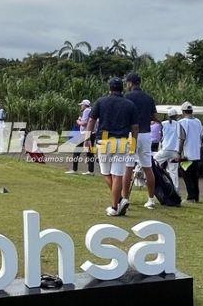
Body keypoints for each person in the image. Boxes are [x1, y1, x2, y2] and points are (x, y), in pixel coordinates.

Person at [86, 77, 139, 216]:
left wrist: (87, 138)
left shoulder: (101, 101)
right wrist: (133, 143)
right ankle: (118, 203)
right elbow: (135, 127)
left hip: (104, 140)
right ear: (122, 88)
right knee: (117, 175)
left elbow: (91, 121)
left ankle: (117, 204)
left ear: (110, 88)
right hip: (122, 141)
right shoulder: (130, 104)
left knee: (106, 173)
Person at [122, 72, 159, 210]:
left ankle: (125, 199)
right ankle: (151, 199)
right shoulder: (149, 98)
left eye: (127, 82)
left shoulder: (127, 97)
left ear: (130, 83)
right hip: (146, 134)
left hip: (132, 135)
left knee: (128, 167)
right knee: (148, 167)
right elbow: (154, 116)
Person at [177, 102, 203, 203]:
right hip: (196, 153)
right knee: (194, 176)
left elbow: (182, 138)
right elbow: (201, 136)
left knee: (186, 175)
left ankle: (191, 197)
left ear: (183, 112)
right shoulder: (198, 121)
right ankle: (196, 196)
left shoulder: (182, 122)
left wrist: (179, 152)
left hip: (186, 155)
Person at [154, 107, 183, 191]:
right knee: (173, 171)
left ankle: (153, 180)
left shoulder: (164, 123)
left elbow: (161, 135)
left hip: (165, 149)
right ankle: (175, 189)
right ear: (176, 116)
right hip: (175, 151)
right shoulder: (179, 124)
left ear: (168, 116)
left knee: (153, 162)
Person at [67, 99, 94, 175]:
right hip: (92, 133)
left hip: (85, 133)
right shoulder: (92, 110)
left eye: (82, 105)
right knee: (90, 153)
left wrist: (78, 121)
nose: (81, 106)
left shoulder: (86, 111)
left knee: (77, 151)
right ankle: (90, 171)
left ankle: (74, 169)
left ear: (85, 105)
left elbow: (84, 123)